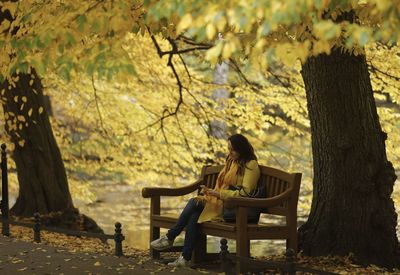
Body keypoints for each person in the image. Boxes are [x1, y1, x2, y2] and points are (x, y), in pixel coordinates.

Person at [150, 134, 260, 267]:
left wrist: (218, 194)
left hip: (236, 210)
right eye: (228, 149)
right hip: (222, 203)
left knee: (194, 202)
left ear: (241, 149)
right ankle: (184, 258)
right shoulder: (232, 162)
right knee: (195, 215)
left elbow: (246, 193)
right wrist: (211, 191)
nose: (229, 152)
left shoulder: (251, 165)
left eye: (233, 150)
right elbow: (223, 184)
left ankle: (170, 237)